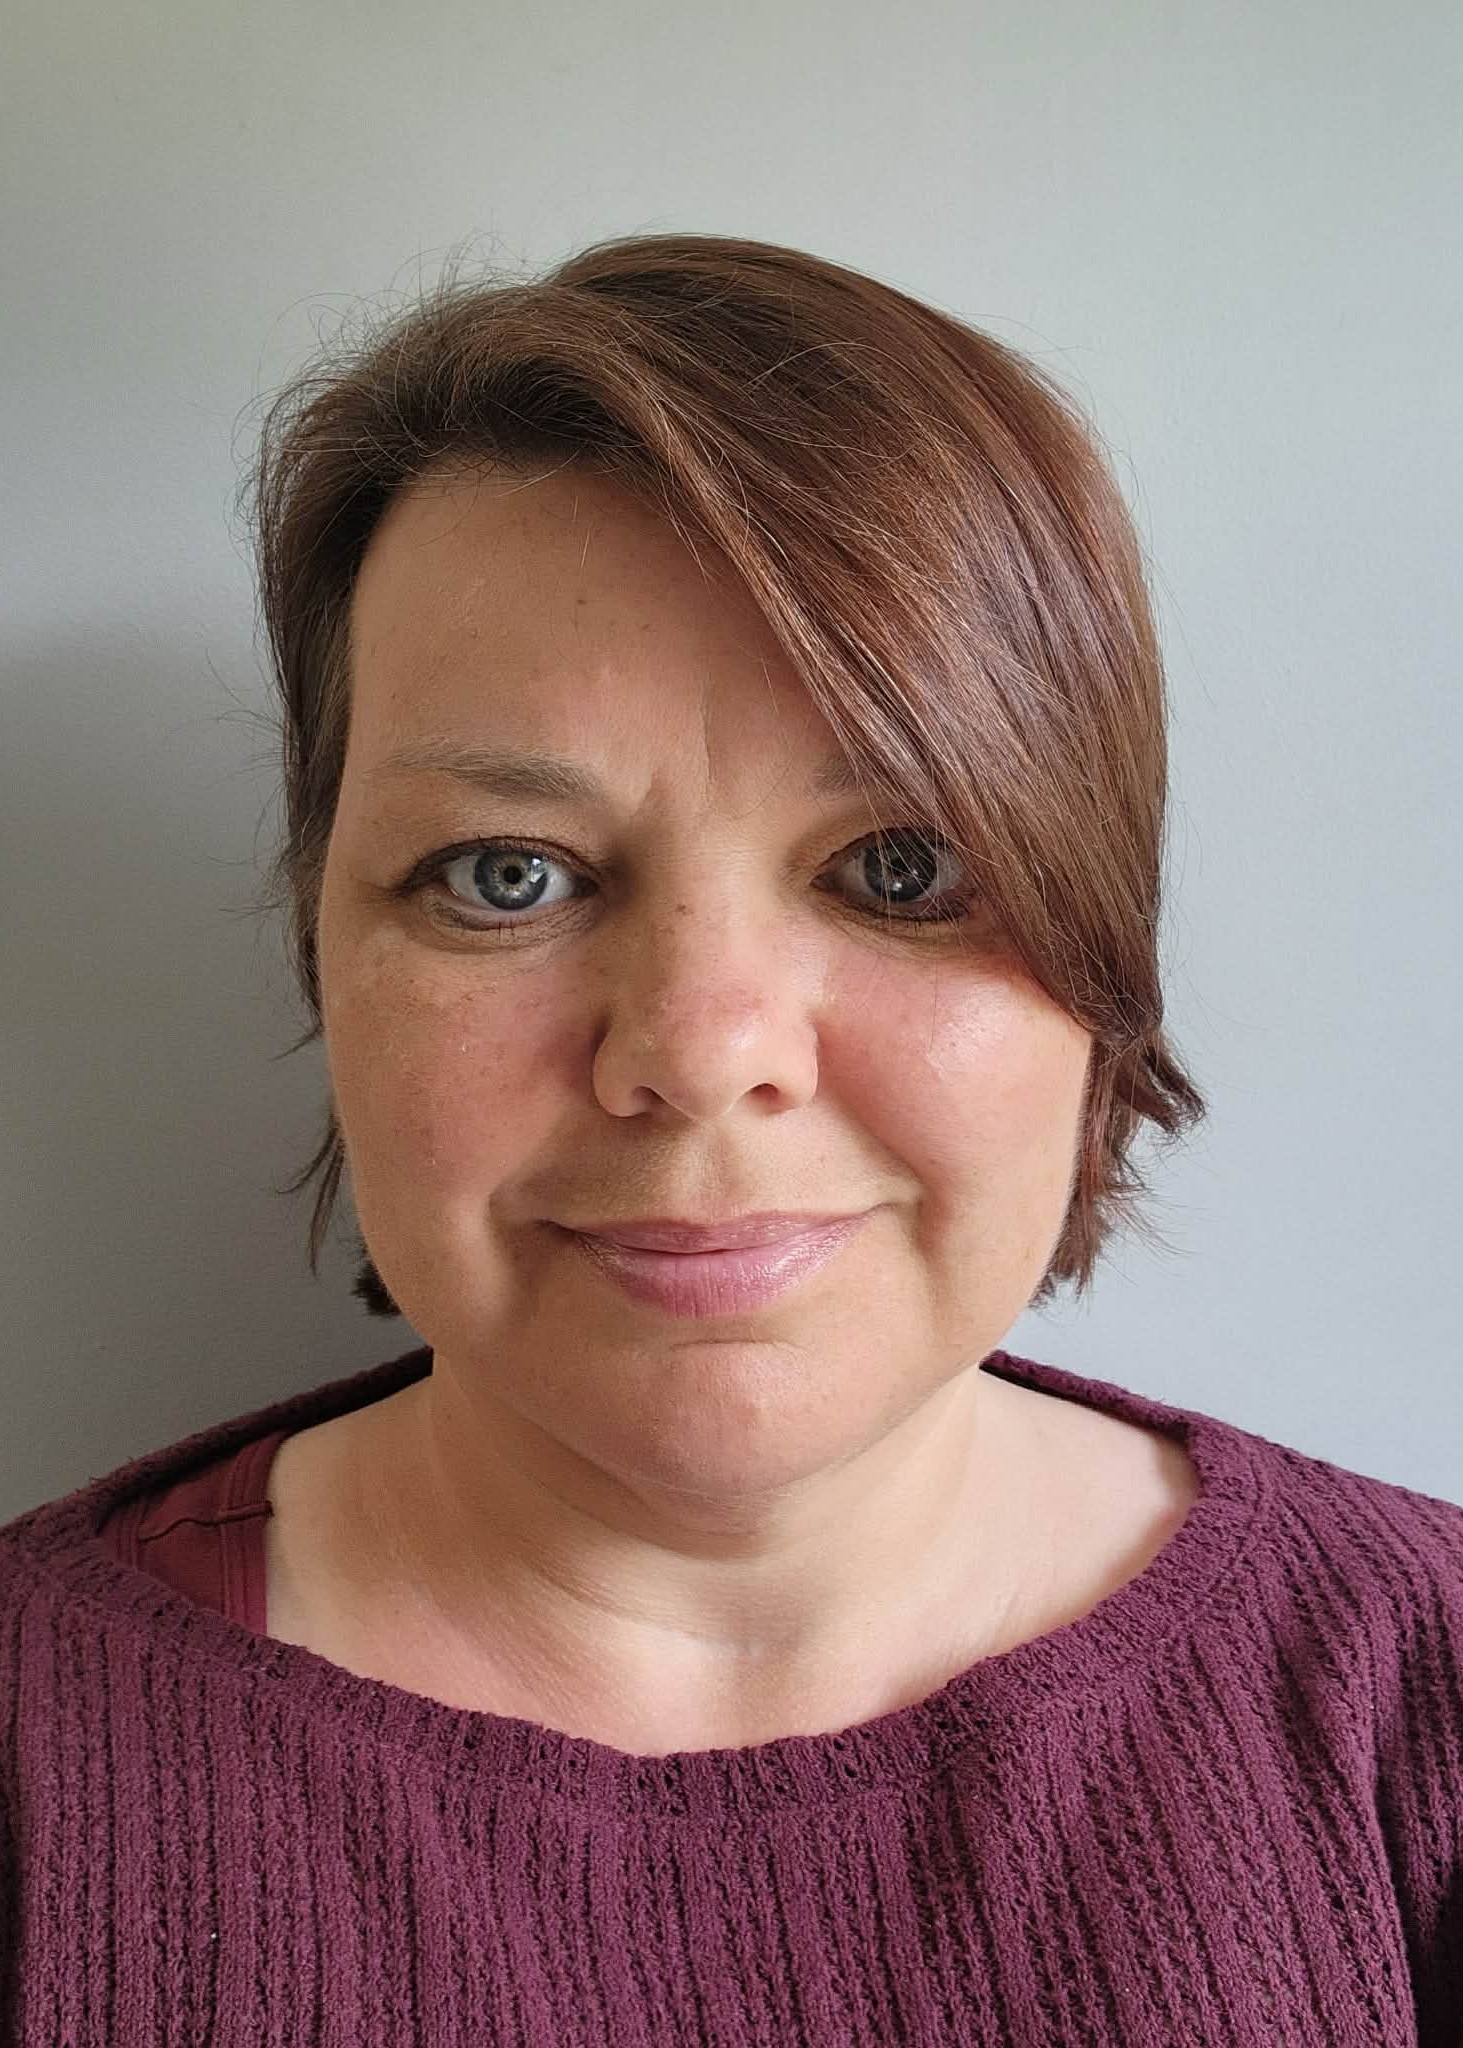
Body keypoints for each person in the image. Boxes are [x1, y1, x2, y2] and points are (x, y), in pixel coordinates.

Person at [1, 232, 1458, 2046]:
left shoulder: (1424, 1695)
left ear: (1106, 959)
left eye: (901, 868)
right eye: (506, 875)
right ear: (324, 952)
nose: (699, 1056)